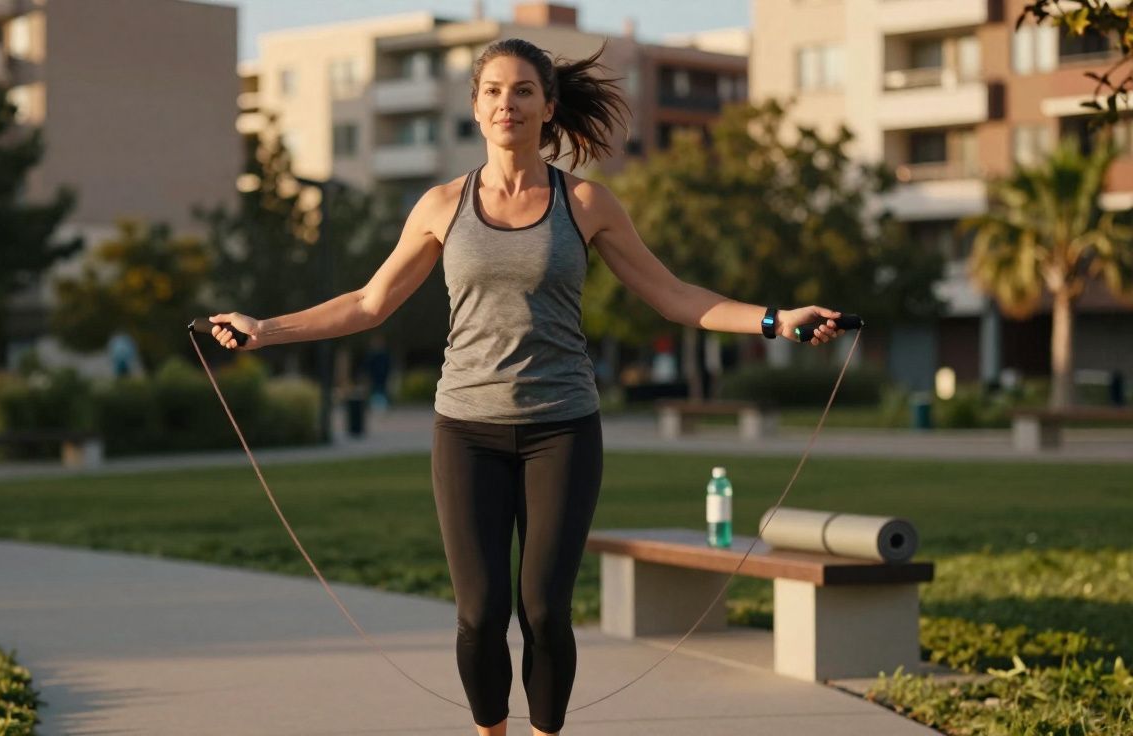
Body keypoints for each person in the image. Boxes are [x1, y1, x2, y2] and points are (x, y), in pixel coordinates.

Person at [209, 39, 846, 736]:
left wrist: (774, 320)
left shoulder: (585, 203)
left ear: (547, 107)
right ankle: (492, 732)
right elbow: (368, 303)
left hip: (563, 428)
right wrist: (264, 329)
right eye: (492, 92)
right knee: (480, 614)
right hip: (466, 429)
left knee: (543, 608)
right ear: (475, 108)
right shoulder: (440, 206)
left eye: (521, 92)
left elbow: (671, 296)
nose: (506, 104)